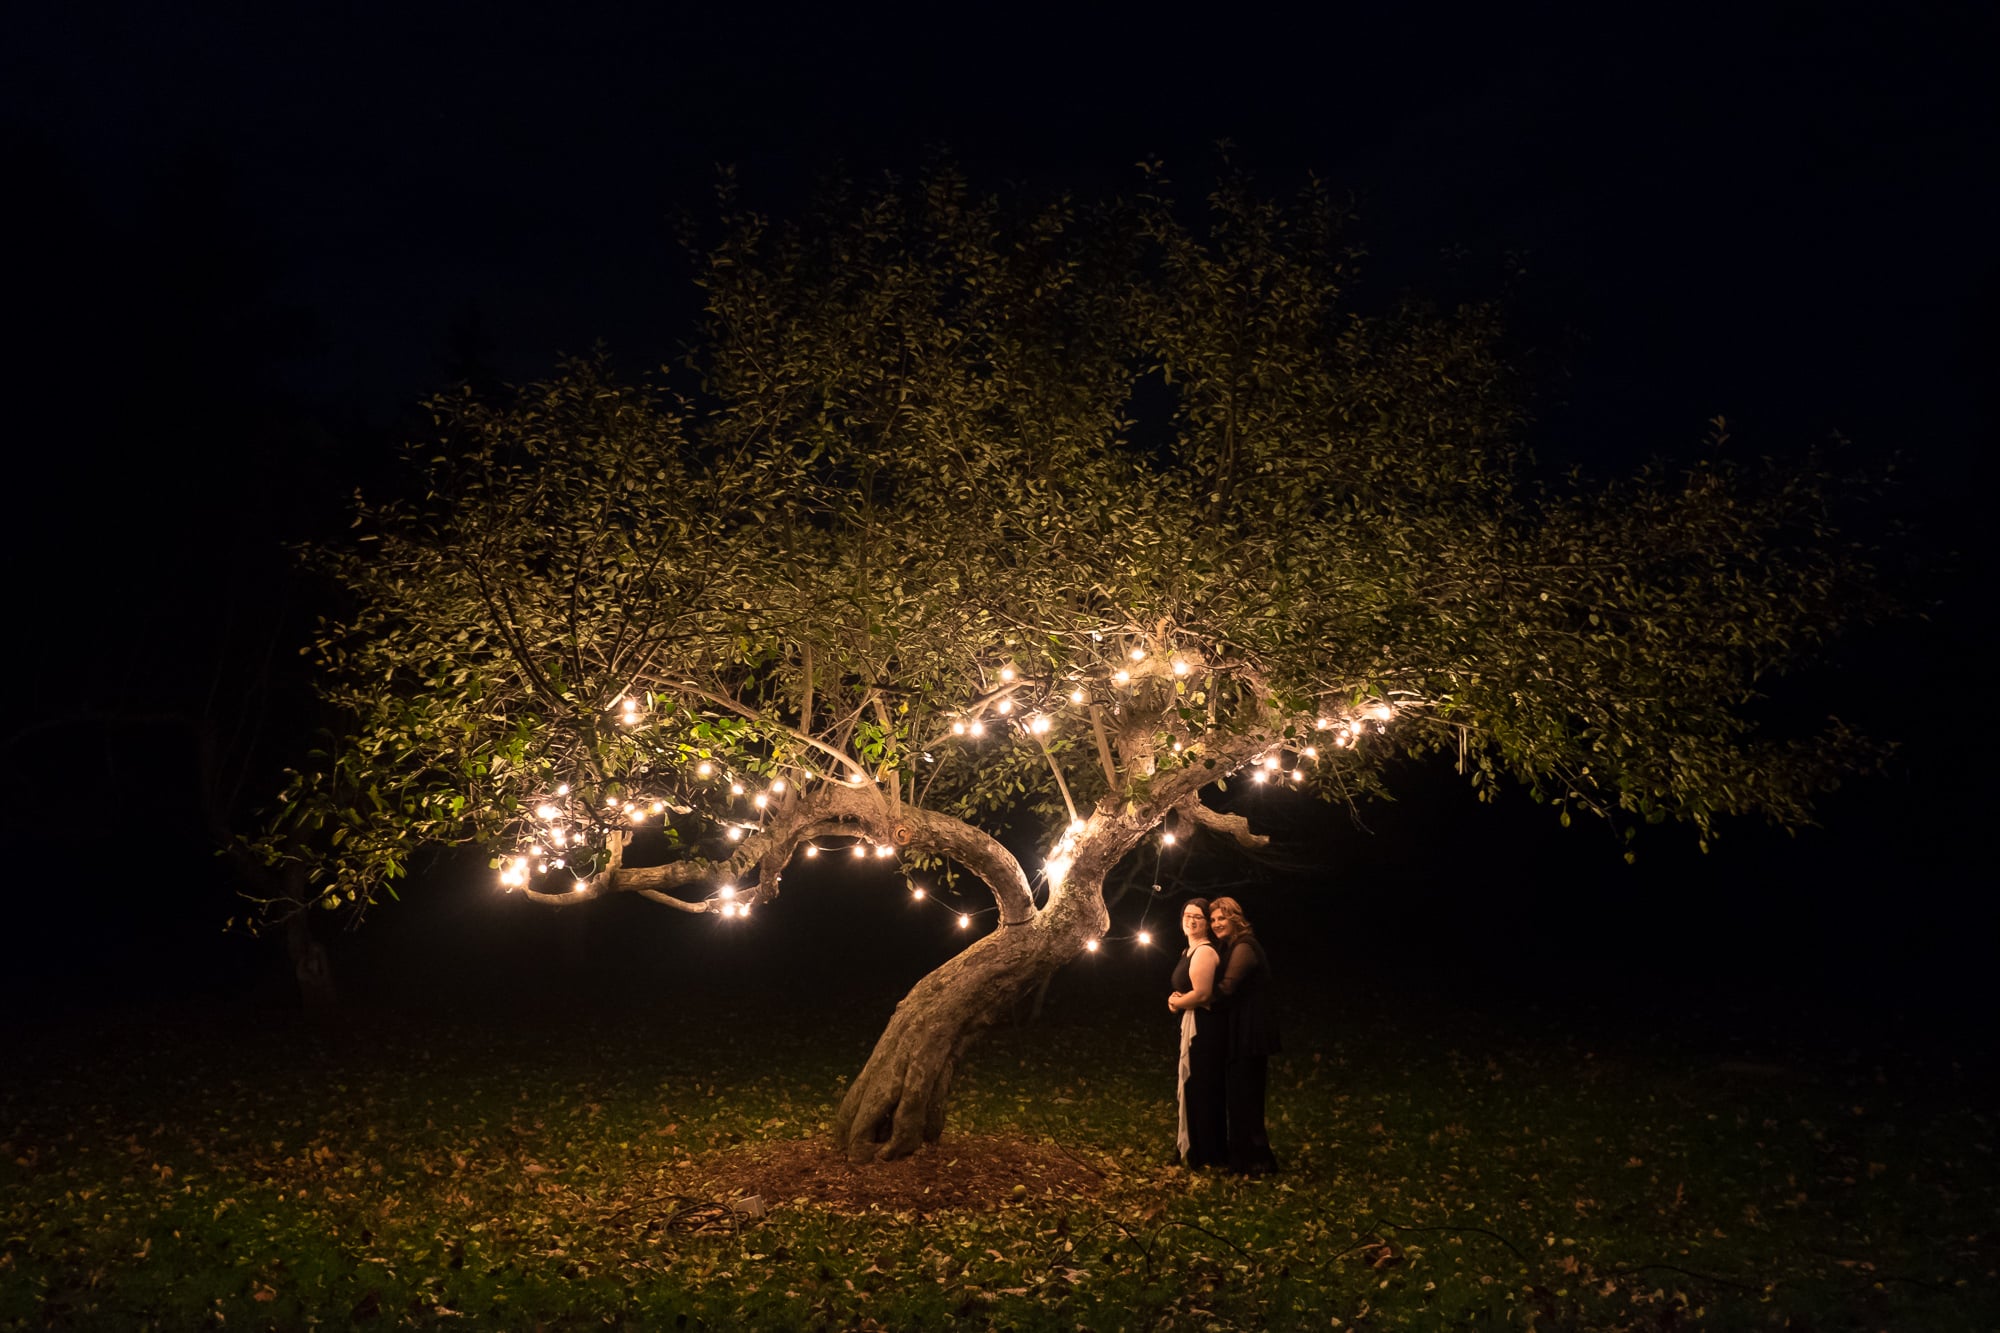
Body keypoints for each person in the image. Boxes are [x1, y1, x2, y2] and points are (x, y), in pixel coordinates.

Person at [1209, 896, 1281, 1175]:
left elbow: (1227, 987)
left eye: (1221, 918)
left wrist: (1196, 1000)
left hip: (1251, 1030)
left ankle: (1259, 1161)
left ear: (1235, 918)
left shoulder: (1245, 946)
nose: (1216, 924)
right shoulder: (1228, 947)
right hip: (1239, 1027)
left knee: (1247, 1095)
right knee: (1238, 1095)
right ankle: (1240, 1158)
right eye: (1213, 919)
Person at [1165, 897, 1228, 1168]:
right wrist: (1178, 999)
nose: (1190, 921)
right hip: (1191, 1023)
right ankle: (1192, 1148)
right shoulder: (1187, 951)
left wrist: (1175, 1002)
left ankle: (1207, 1153)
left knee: (1202, 1088)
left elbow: (1203, 994)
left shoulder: (1204, 951)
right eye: (1186, 915)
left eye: (1198, 917)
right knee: (1191, 1089)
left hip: (1204, 1029)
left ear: (1206, 924)